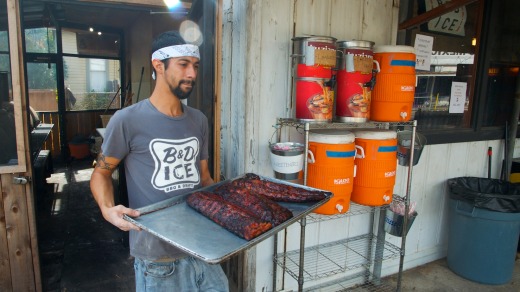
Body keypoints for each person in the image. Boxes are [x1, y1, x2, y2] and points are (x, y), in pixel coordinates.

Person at [90, 31, 229, 291]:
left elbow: (204, 178)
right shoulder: (127, 120)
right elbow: (101, 173)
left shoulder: (198, 120)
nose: (192, 74)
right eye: (183, 64)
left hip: (202, 248)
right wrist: (108, 210)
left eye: (195, 66)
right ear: (159, 65)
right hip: (158, 260)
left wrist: (231, 204)